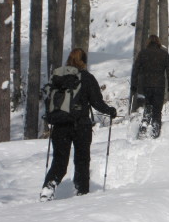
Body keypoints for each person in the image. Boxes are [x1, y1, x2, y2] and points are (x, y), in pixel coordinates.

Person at [40, 48, 116, 201]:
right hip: (80, 125)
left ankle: (48, 188)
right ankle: (81, 193)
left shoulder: (57, 76)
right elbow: (96, 102)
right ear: (84, 61)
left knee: (59, 160)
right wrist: (110, 111)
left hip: (59, 124)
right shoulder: (86, 78)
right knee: (82, 160)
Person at [131, 35, 169, 139]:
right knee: (157, 109)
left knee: (148, 106)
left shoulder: (143, 53)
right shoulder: (163, 54)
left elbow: (135, 70)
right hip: (159, 86)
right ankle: (155, 128)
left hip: (146, 85)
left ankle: (144, 126)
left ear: (148, 42)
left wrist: (134, 85)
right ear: (158, 42)